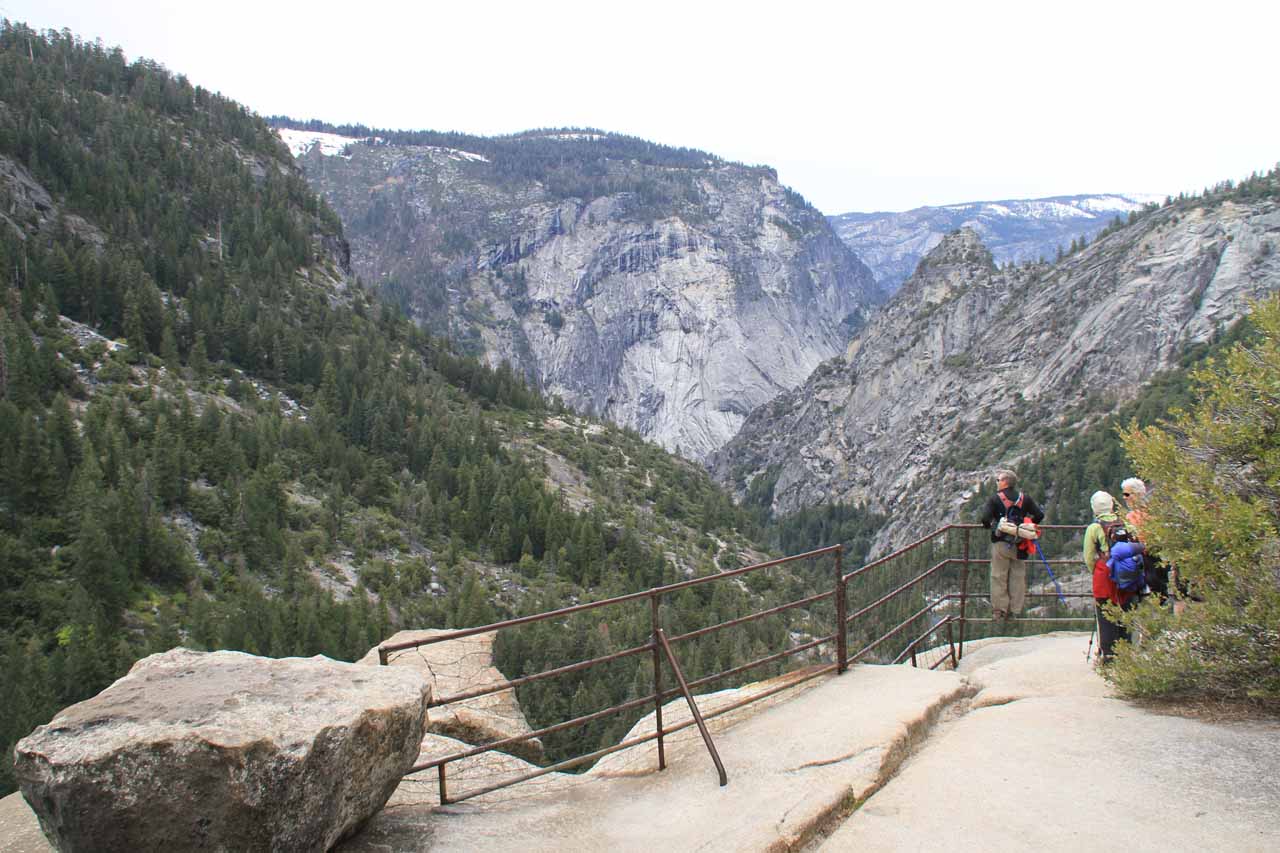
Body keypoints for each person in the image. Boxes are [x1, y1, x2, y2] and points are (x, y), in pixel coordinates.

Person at [979, 469, 1044, 622]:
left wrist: (993, 527)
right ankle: (1015, 611)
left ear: (1005, 482)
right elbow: (1039, 515)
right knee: (1018, 577)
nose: (997, 482)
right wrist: (1026, 525)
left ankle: (1000, 611)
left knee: (998, 576)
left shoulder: (995, 499)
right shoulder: (1024, 498)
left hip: (1001, 543)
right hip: (1020, 543)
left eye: (998, 480)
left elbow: (985, 519)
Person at [1084, 490, 1139, 663]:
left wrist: (1095, 570)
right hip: (1126, 571)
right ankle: (1127, 651)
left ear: (1094, 508)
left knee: (1106, 611)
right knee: (1126, 608)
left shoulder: (1094, 528)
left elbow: (1088, 555)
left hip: (1105, 572)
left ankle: (1109, 653)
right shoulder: (1126, 524)